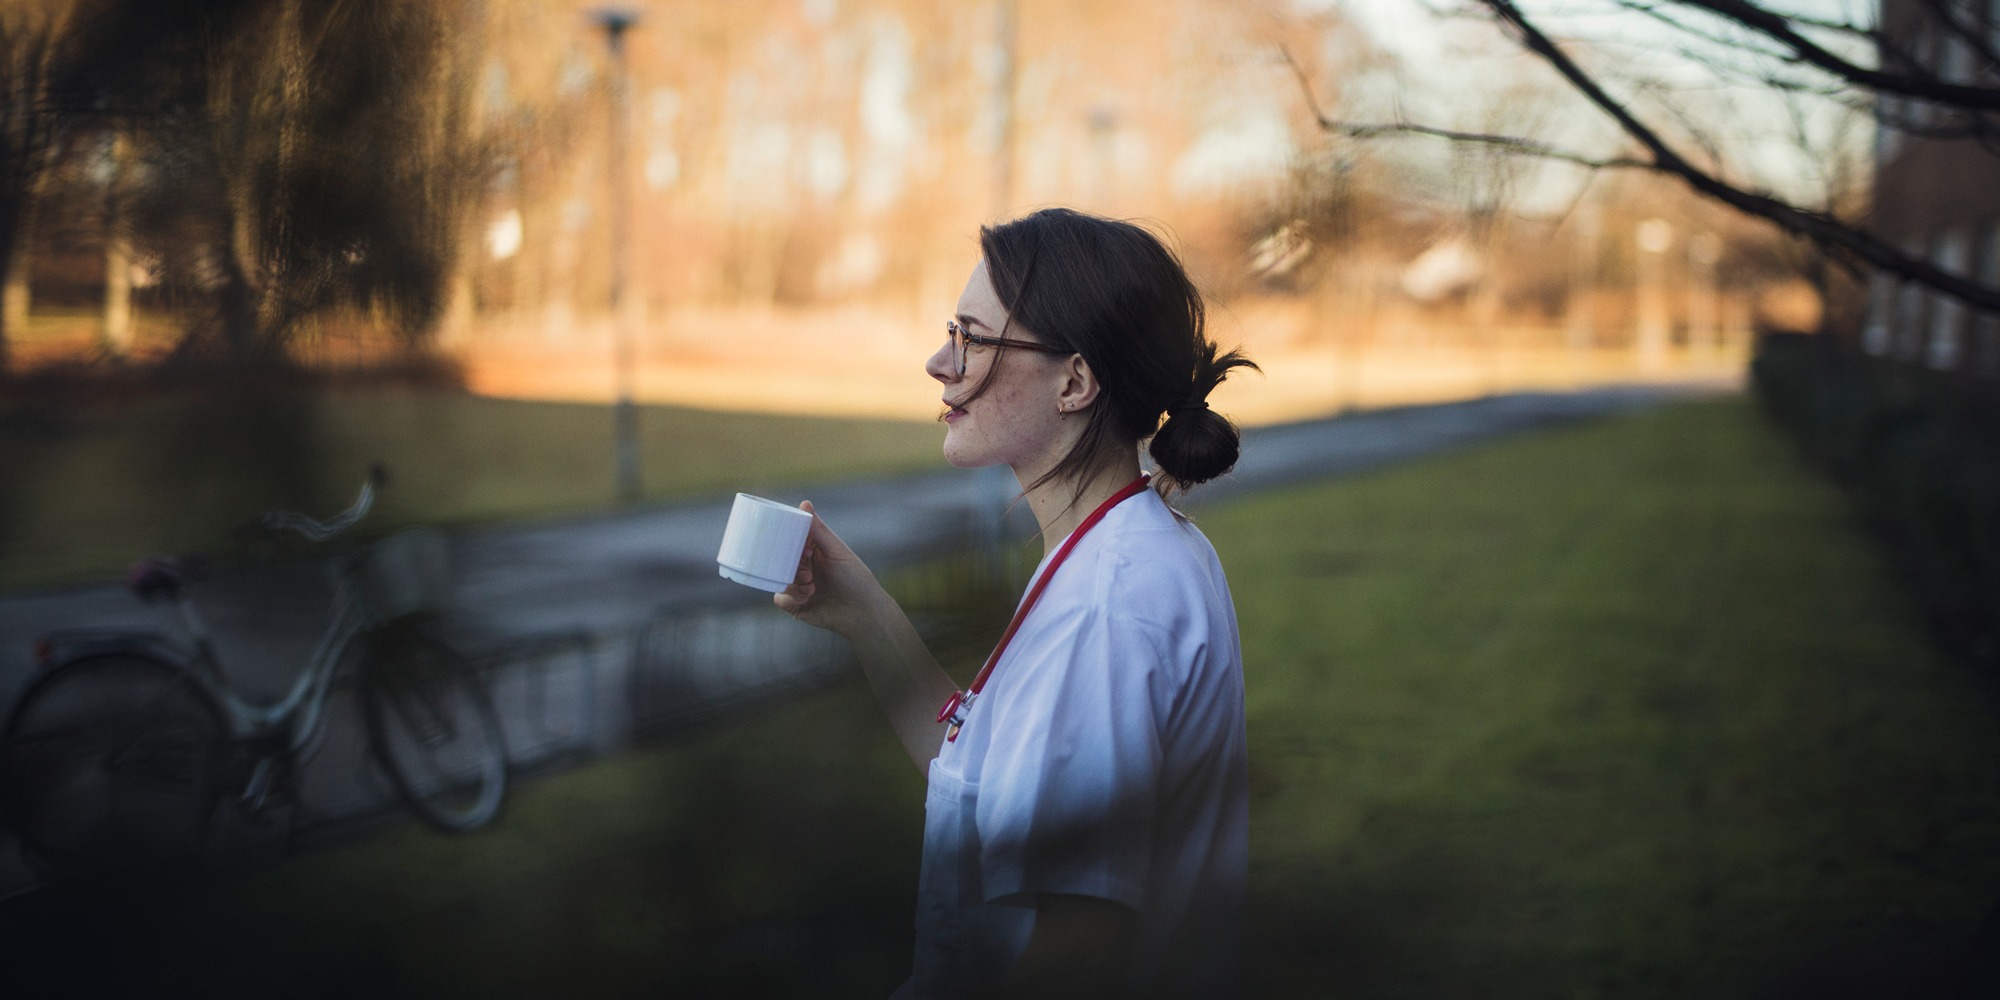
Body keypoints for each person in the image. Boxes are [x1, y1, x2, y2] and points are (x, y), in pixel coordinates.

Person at [775, 207, 1256, 999]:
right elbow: (984, 771)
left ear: (1074, 382)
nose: (939, 362)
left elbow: (1075, 952)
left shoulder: (1103, 609)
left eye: (971, 337)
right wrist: (864, 612)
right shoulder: (1120, 550)